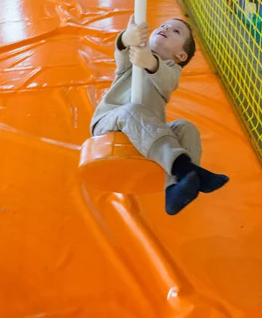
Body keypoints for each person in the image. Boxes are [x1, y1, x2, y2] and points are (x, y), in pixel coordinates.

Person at [90, 15, 229, 215]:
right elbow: (120, 51)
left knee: (186, 128)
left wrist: (150, 61)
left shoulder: (172, 72)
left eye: (176, 31)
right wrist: (127, 39)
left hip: (145, 132)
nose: (165, 28)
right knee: (131, 110)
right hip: (110, 123)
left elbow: (164, 79)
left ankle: (176, 189)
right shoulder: (133, 58)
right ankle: (185, 169)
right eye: (163, 25)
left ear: (180, 56)